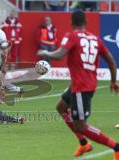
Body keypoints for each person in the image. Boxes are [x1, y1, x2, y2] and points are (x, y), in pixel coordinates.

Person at [38, 10, 119, 159]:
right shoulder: (95, 38)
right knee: (61, 107)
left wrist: (46, 53)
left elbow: (60, 54)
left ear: (72, 23)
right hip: (80, 84)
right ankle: (83, 143)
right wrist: (113, 81)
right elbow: (111, 61)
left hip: (82, 87)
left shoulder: (72, 35)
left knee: (80, 126)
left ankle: (116, 147)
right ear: (86, 22)